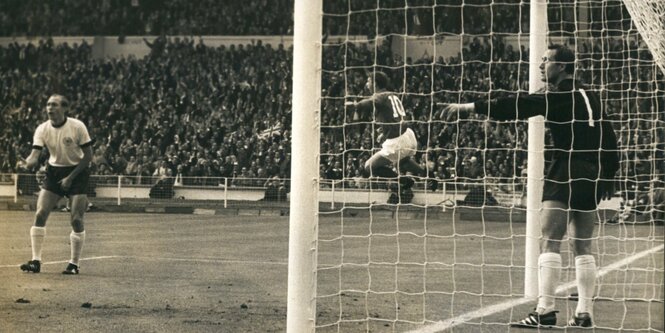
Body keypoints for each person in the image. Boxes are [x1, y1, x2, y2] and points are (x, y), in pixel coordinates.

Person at [439, 44, 620, 328]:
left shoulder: (560, 95)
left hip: (568, 168)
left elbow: (519, 105)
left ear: (561, 66)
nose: (540, 65)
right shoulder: (592, 96)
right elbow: (609, 137)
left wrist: (471, 106)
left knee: (549, 240)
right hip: (593, 173)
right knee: (583, 245)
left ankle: (545, 310)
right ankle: (584, 313)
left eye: (545, 60)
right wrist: (608, 175)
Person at [16, 94, 94, 275]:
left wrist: (70, 178)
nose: (50, 108)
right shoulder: (42, 129)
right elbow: (34, 156)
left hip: (78, 172)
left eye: (54, 105)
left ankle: (74, 264)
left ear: (64, 108)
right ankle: (35, 261)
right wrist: (27, 163)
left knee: (76, 219)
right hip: (54, 172)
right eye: (48, 105)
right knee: (40, 213)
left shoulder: (77, 126)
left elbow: (88, 156)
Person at [344, 71, 427, 202]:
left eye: (369, 81)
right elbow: (394, 116)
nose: (367, 83)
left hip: (398, 139)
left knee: (369, 167)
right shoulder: (393, 95)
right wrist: (384, 132)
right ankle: (425, 173)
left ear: (375, 83)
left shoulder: (380, 96)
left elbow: (368, 103)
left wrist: (355, 105)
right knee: (402, 161)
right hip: (408, 134)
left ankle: (404, 182)